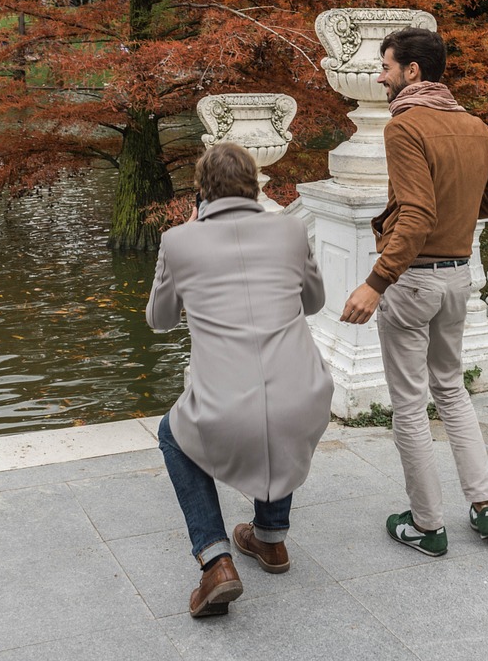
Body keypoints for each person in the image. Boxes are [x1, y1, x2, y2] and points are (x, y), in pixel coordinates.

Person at [341, 28, 488, 557]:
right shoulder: (474, 125)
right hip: (458, 277)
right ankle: (485, 508)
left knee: (409, 406)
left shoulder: (405, 127)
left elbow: (416, 214)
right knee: (451, 389)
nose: (380, 77)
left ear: (412, 72)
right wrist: (457, 214)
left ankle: (426, 524)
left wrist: (376, 283)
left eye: (386, 66)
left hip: (414, 279)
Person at [146, 141, 333, 618]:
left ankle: (215, 560)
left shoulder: (178, 240)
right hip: (304, 398)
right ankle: (271, 540)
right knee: (274, 410)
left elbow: (159, 319)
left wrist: (179, 245)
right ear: (254, 187)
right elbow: (313, 303)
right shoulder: (291, 231)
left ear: (200, 192)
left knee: (172, 433)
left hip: (226, 409)